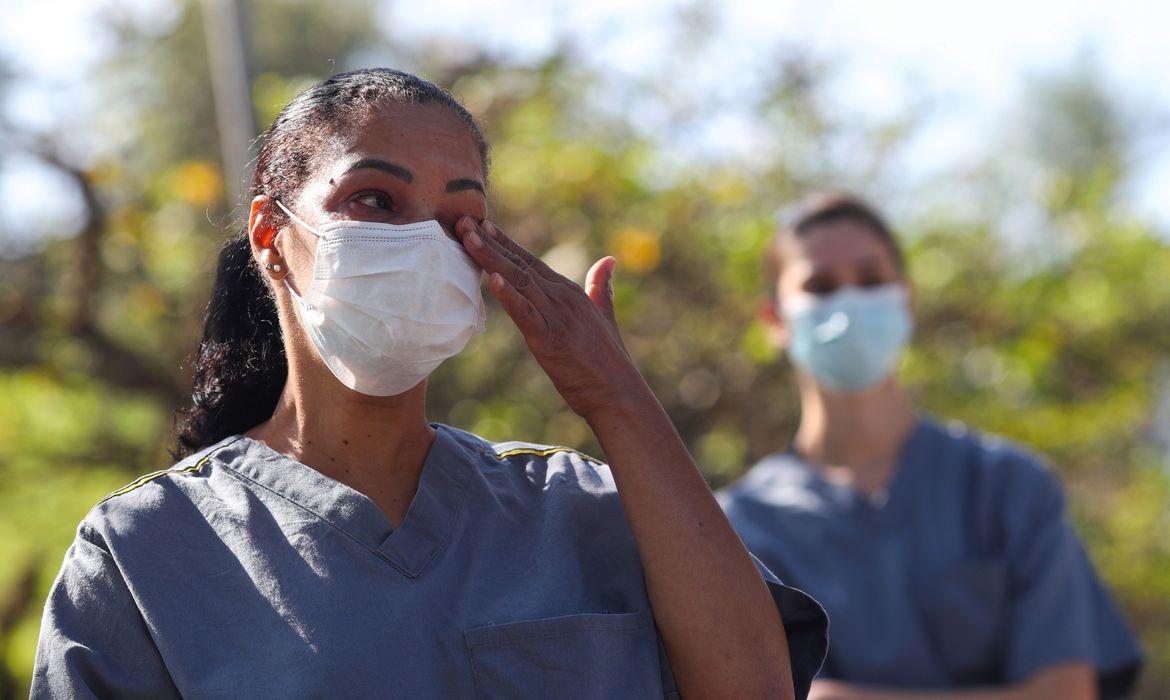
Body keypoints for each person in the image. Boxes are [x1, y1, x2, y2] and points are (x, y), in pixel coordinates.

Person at [31, 68, 827, 699]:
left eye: (459, 218)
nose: (423, 242)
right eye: (375, 200)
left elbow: (754, 688)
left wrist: (616, 397)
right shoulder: (145, 553)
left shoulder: (587, 512)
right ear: (272, 237)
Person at [718, 192, 1143, 699]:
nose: (849, 303)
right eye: (821, 286)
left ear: (907, 299)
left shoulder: (1008, 487)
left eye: (871, 280)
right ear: (775, 321)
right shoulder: (740, 527)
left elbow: (1067, 692)